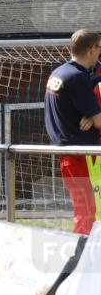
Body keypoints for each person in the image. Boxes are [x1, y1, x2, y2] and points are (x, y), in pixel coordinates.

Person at [45, 30, 101, 235]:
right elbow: (99, 121)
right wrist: (95, 118)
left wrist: (92, 116)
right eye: (99, 48)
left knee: (84, 209)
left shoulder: (59, 73)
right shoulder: (77, 78)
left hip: (68, 154)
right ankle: (82, 259)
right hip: (79, 156)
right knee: (87, 211)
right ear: (92, 49)